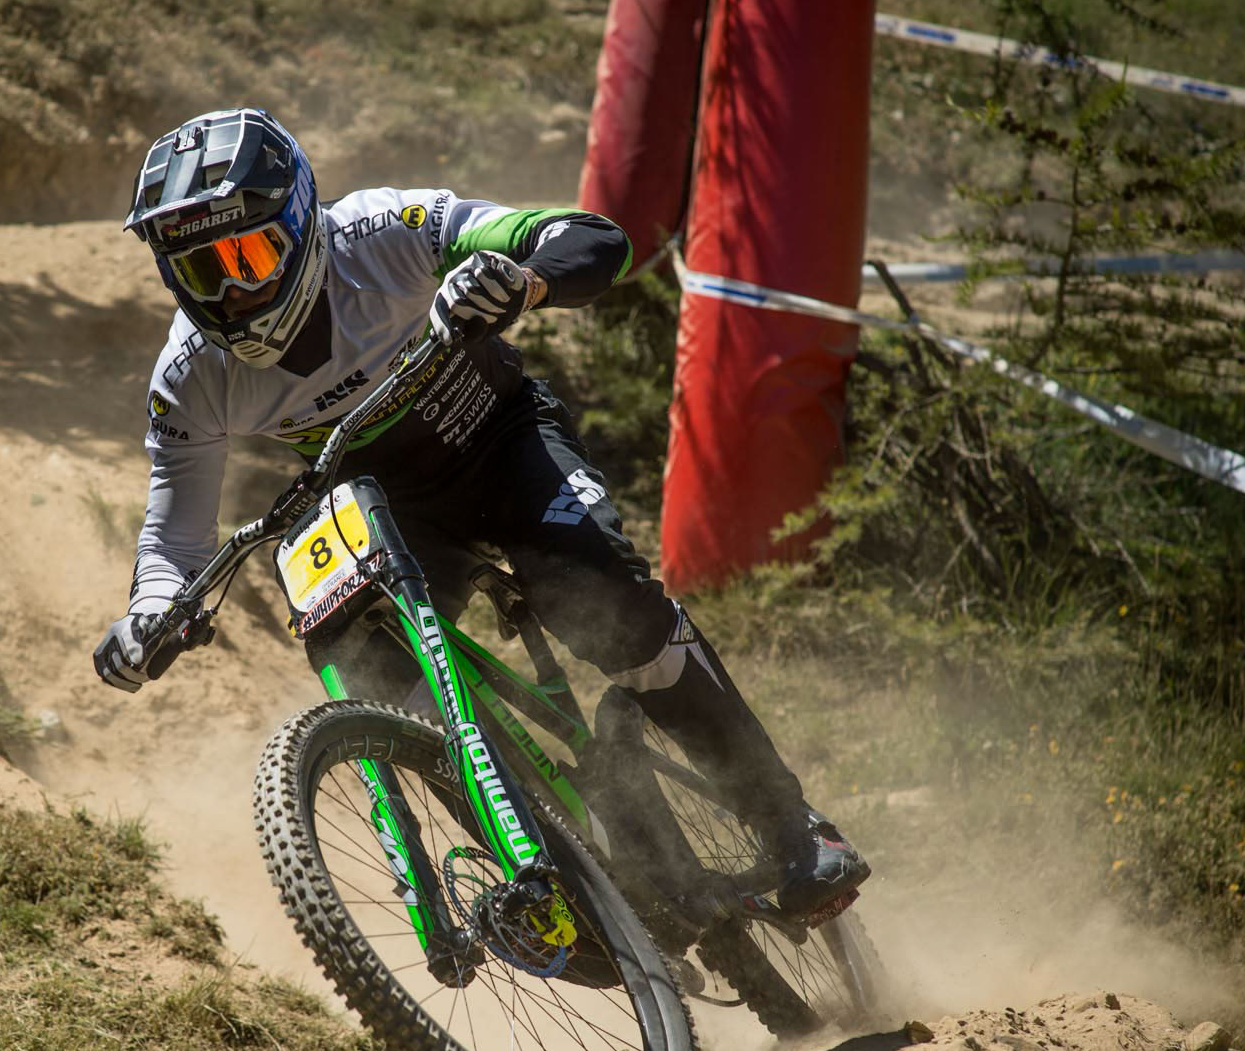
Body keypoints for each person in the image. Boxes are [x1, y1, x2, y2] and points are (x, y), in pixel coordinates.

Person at [92, 107, 867, 921]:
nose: (233, 293)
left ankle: (793, 827)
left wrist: (523, 282)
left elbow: (590, 238)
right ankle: (555, 873)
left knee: (606, 601)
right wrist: (152, 612)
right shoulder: (190, 375)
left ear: (301, 220)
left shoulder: (381, 233)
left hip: (501, 441)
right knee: (368, 666)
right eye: (201, 272)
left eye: (249, 257)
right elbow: (174, 532)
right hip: (388, 510)